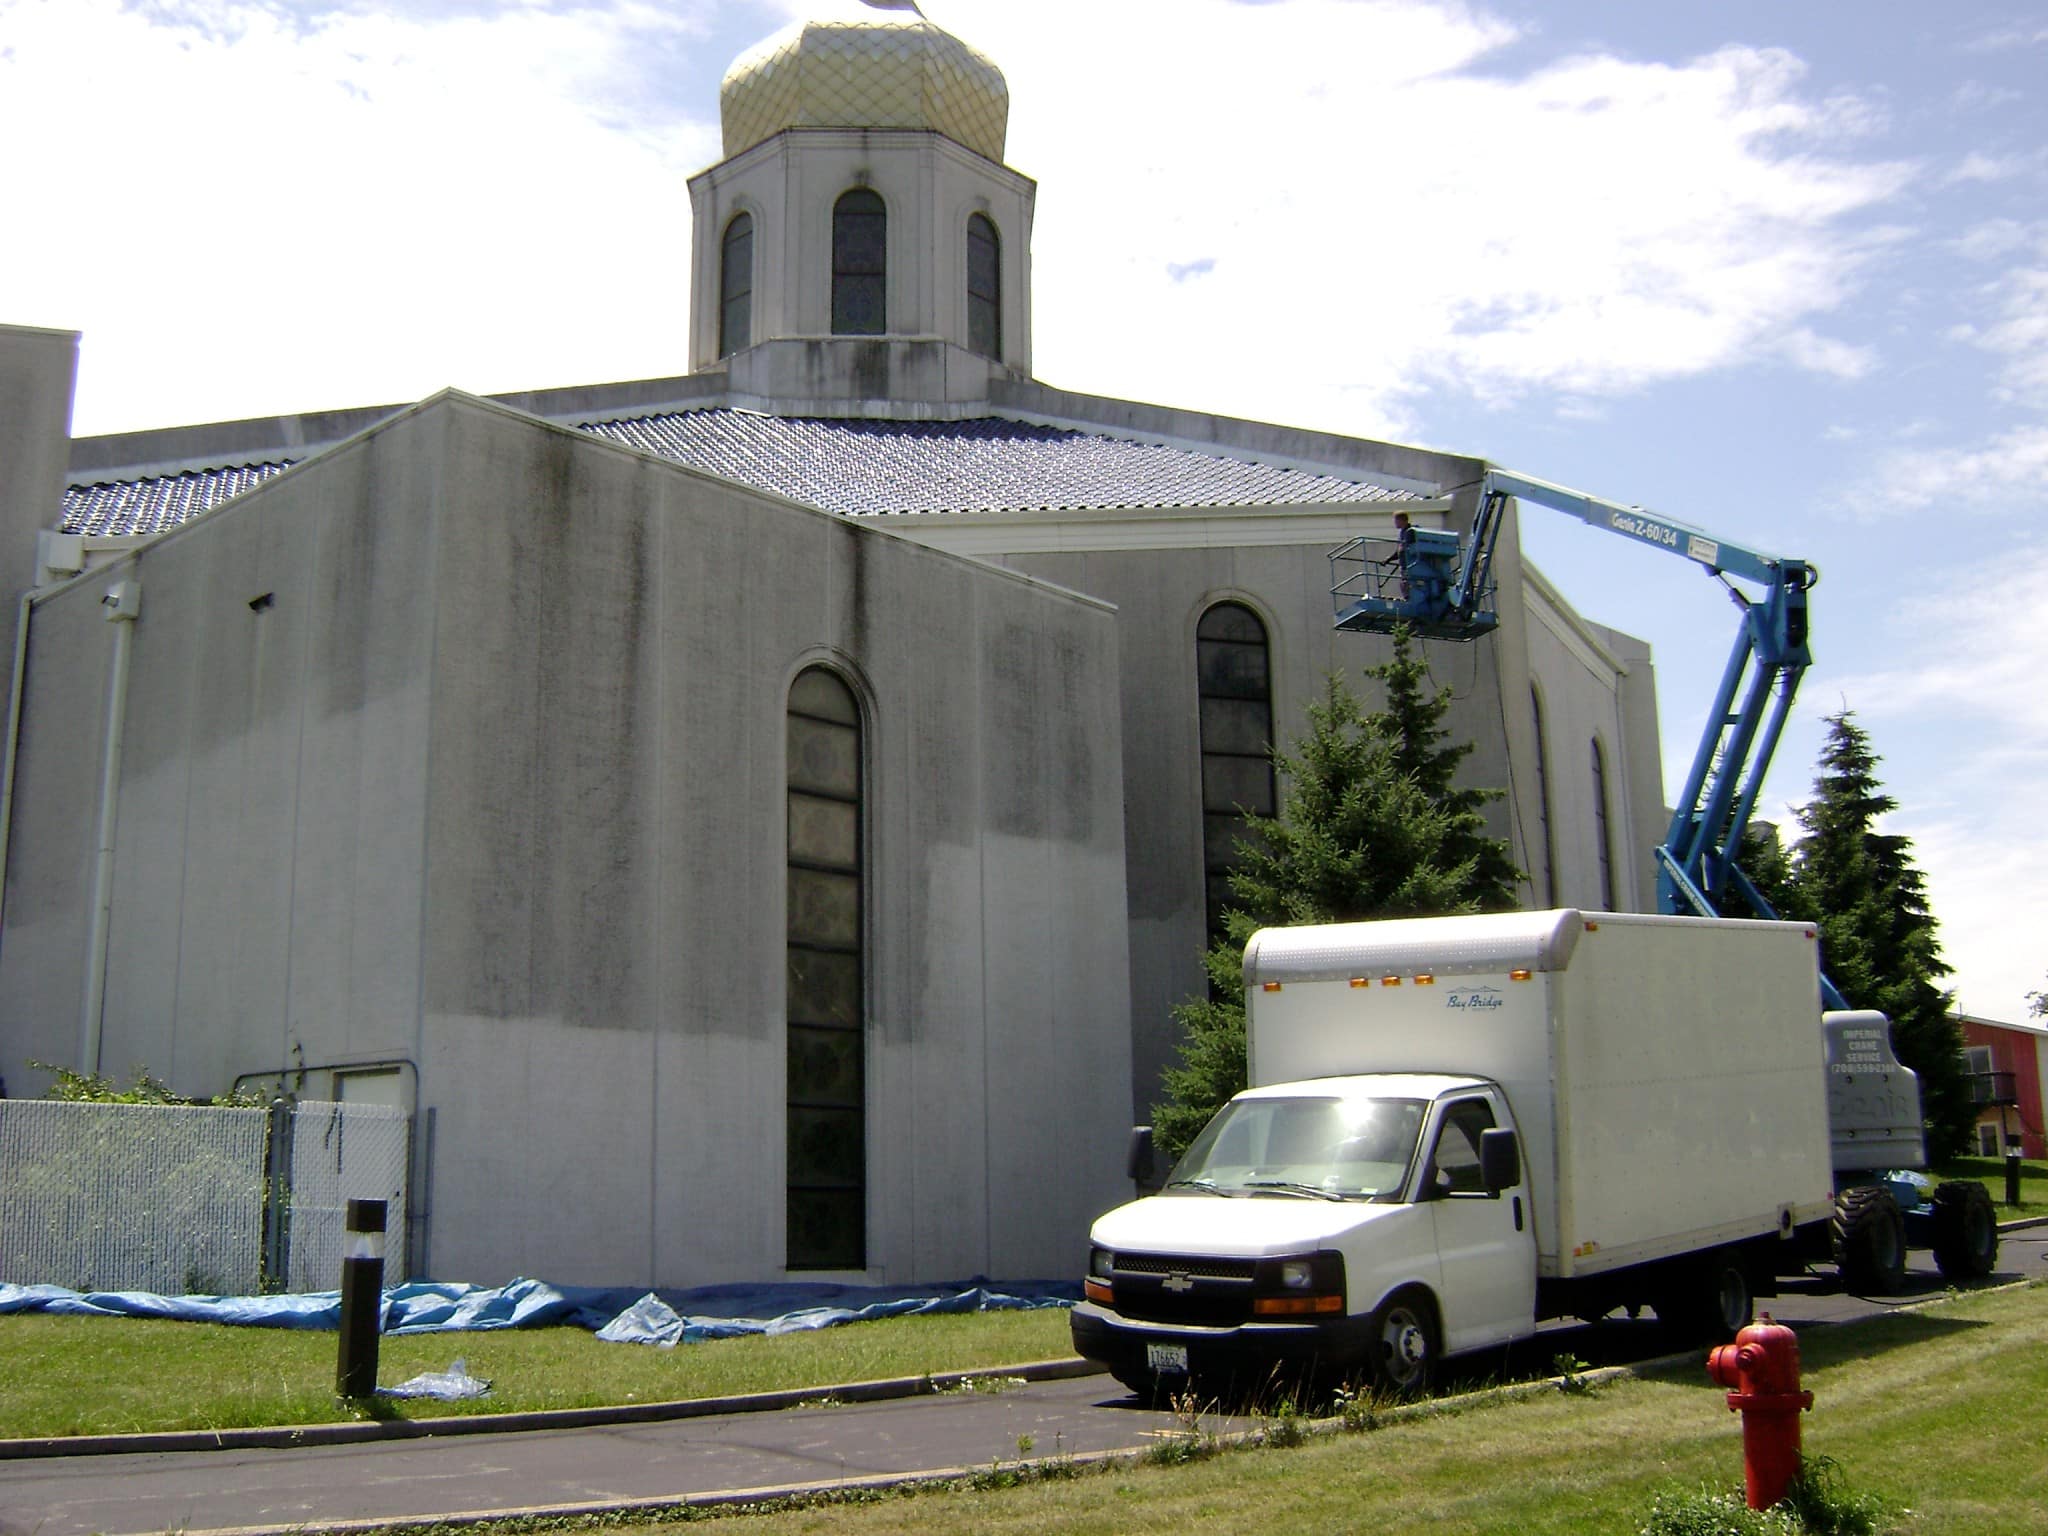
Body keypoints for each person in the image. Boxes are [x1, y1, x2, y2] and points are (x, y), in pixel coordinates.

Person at [1391, 511, 1416, 599]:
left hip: (1410, 565)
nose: (1395, 523)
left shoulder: (1411, 531)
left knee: (1406, 584)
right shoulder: (1402, 533)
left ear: (1401, 520)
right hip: (1404, 565)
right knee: (1404, 583)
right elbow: (1400, 550)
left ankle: (1409, 599)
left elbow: (1405, 548)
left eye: (1396, 521)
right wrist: (1388, 559)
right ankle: (1408, 598)